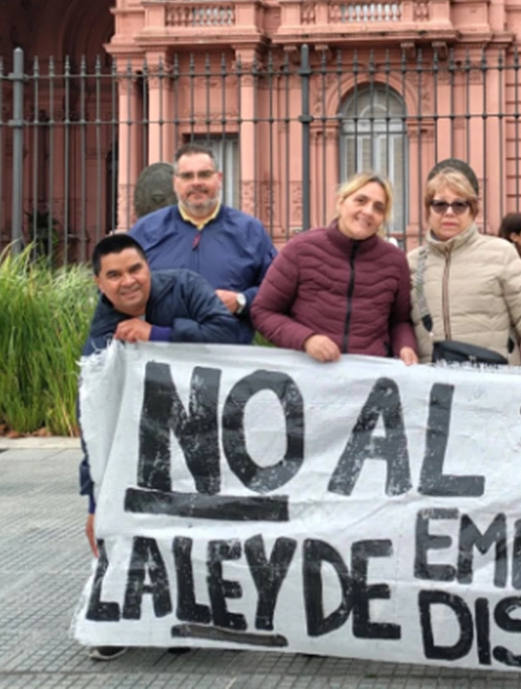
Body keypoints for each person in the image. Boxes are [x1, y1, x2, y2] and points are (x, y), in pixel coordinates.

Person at [78, 233, 240, 661]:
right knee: (126, 526)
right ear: (99, 283)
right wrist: (93, 503)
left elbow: (230, 337)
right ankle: (114, 618)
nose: (128, 281)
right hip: (146, 442)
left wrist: (159, 333)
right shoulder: (101, 334)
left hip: (204, 428)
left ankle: (192, 615)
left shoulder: (184, 285)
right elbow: (95, 423)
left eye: (135, 269)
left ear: (148, 266)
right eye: (114, 275)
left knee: (198, 528)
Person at [408, 164, 521, 377]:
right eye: (439, 205)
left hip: (494, 383)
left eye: (459, 205)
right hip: (434, 389)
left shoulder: (501, 253)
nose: (449, 212)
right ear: (427, 211)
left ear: (473, 211)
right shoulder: (412, 263)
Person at [251, 173, 418, 364]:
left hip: (369, 380)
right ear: (341, 202)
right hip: (308, 374)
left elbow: (400, 321)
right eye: (360, 200)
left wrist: (405, 346)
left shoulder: (395, 260)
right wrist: (306, 339)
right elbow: (263, 311)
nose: (368, 211)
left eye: (378, 207)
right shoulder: (301, 249)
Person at [130, 143, 277, 344]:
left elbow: (276, 288)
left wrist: (241, 300)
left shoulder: (249, 231)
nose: (196, 183)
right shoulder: (145, 230)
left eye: (205, 174)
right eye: (187, 176)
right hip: (160, 356)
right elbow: (117, 288)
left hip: (229, 358)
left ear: (219, 179)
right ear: (175, 183)